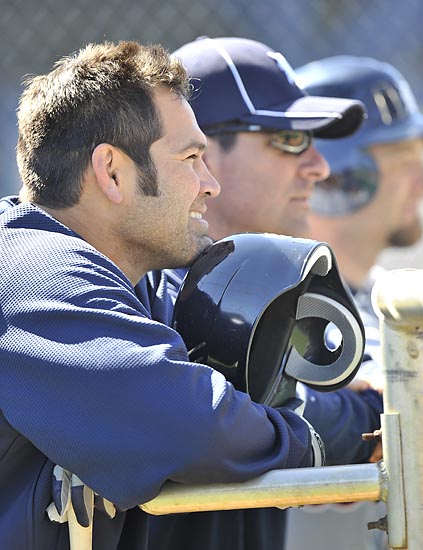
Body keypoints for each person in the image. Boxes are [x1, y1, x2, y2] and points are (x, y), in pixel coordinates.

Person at [0, 40, 330, 550]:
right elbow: (192, 427)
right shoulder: (29, 272)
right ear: (112, 172)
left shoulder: (136, 281)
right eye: (192, 158)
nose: (209, 184)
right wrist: (307, 447)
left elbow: (239, 391)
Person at [147, 37, 383, 550]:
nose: (319, 168)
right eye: (290, 139)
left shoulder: (278, 284)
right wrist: (372, 414)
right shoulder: (148, 292)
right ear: (199, 148)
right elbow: (251, 415)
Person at [284, 55, 423, 550]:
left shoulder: (392, 294)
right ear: (338, 180)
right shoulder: (283, 307)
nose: (422, 180)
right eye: (404, 161)